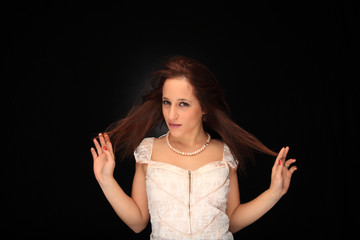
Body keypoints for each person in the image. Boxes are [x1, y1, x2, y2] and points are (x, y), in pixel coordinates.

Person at [90, 56, 297, 239]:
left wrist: (274, 193)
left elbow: (231, 220)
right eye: (166, 102)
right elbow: (138, 223)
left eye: (183, 104)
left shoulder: (225, 154)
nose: (171, 115)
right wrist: (105, 180)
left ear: (204, 106)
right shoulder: (148, 151)